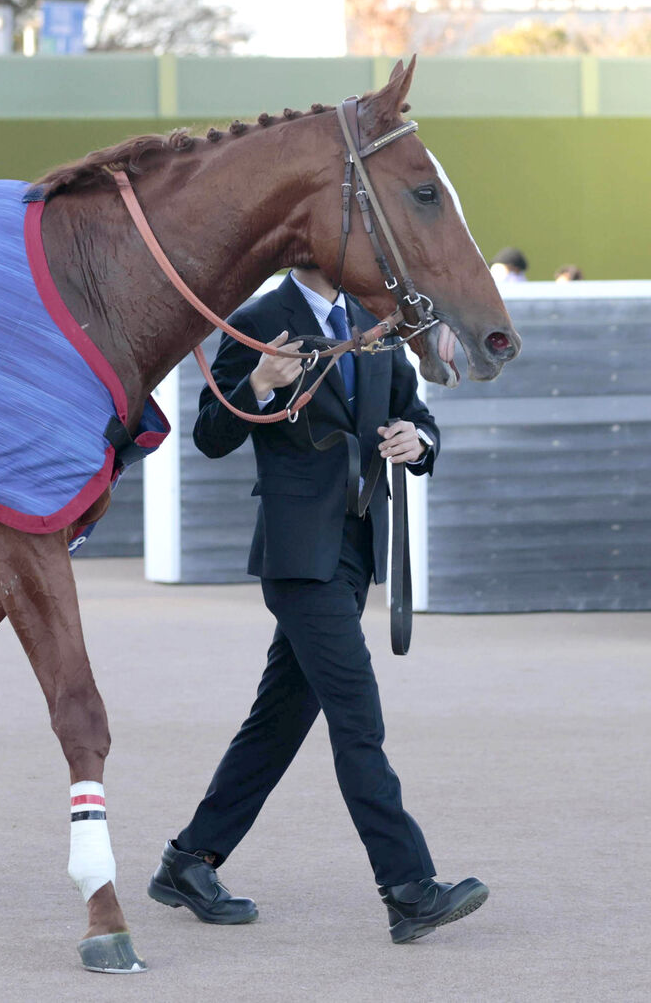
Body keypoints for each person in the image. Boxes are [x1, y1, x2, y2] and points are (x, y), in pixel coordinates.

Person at [147, 267, 488, 944]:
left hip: (359, 546)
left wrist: (417, 443)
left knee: (278, 719)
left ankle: (191, 859)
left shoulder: (372, 320)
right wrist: (262, 383)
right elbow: (211, 434)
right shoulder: (255, 316)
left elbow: (414, 414)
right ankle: (408, 886)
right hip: (299, 555)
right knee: (357, 714)